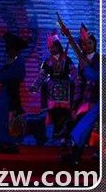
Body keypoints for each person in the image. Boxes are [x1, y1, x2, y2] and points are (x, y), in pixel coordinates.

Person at [0, 32, 28, 153]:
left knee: (6, 117)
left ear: (14, 49)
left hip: (11, 94)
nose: (7, 50)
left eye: (9, 48)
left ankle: (10, 143)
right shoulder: (12, 61)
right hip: (6, 92)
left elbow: (7, 75)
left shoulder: (18, 62)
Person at [62, 24, 100, 166]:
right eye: (85, 44)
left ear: (94, 44)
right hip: (85, 101)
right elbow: (80, 83)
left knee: (94, 131)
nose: (88, 46)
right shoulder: (82, 60)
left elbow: (97, 78)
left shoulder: (100, 60)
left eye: (90, 43)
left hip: (97, 101)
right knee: (80, 129)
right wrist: (75, 103)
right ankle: (75, 157)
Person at [30, 31, 73, 142]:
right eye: (49, 48)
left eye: (53, 47)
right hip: (52, 91)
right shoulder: (47, 62)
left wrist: (78, 83)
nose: (51, 49)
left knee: (64, 113)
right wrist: (35, 86)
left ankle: (64, 136)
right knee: (53, 113)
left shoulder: (67, 60)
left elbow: (74, 73)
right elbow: (41, 76)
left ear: (58, 46)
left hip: (65, 90)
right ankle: (54, 135)